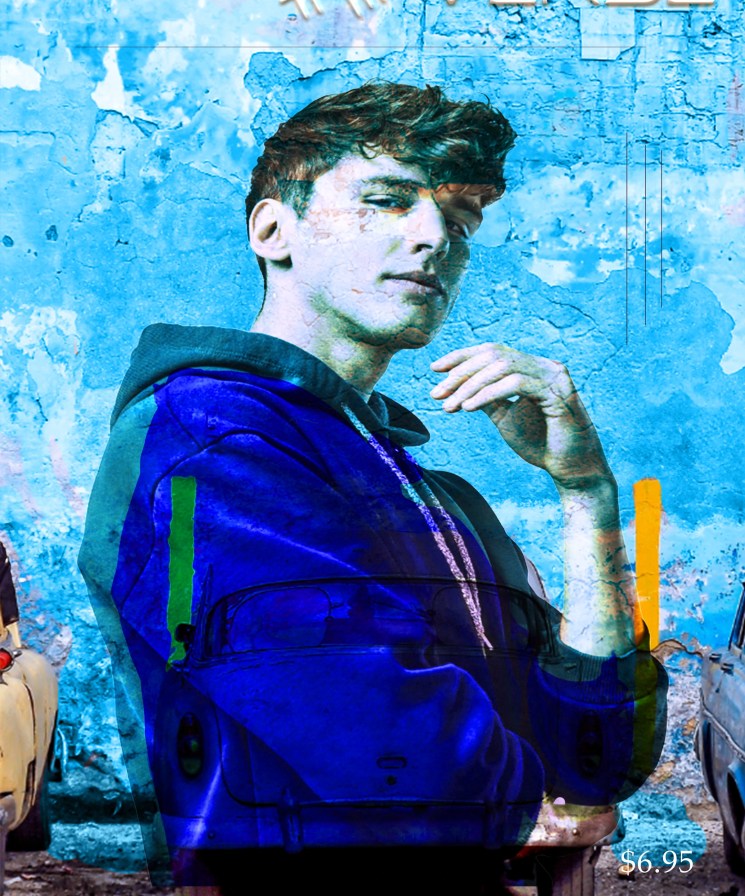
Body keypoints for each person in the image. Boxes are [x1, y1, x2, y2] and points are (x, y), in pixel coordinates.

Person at [79, 82, 667, 893]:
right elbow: (379, 733)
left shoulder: (430, 494)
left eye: (458, 224)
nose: (434, 239)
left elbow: (599, 760)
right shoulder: (209, 436)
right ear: (272, 229)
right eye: (388, 201)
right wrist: (528, 800)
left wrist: (586, 493)